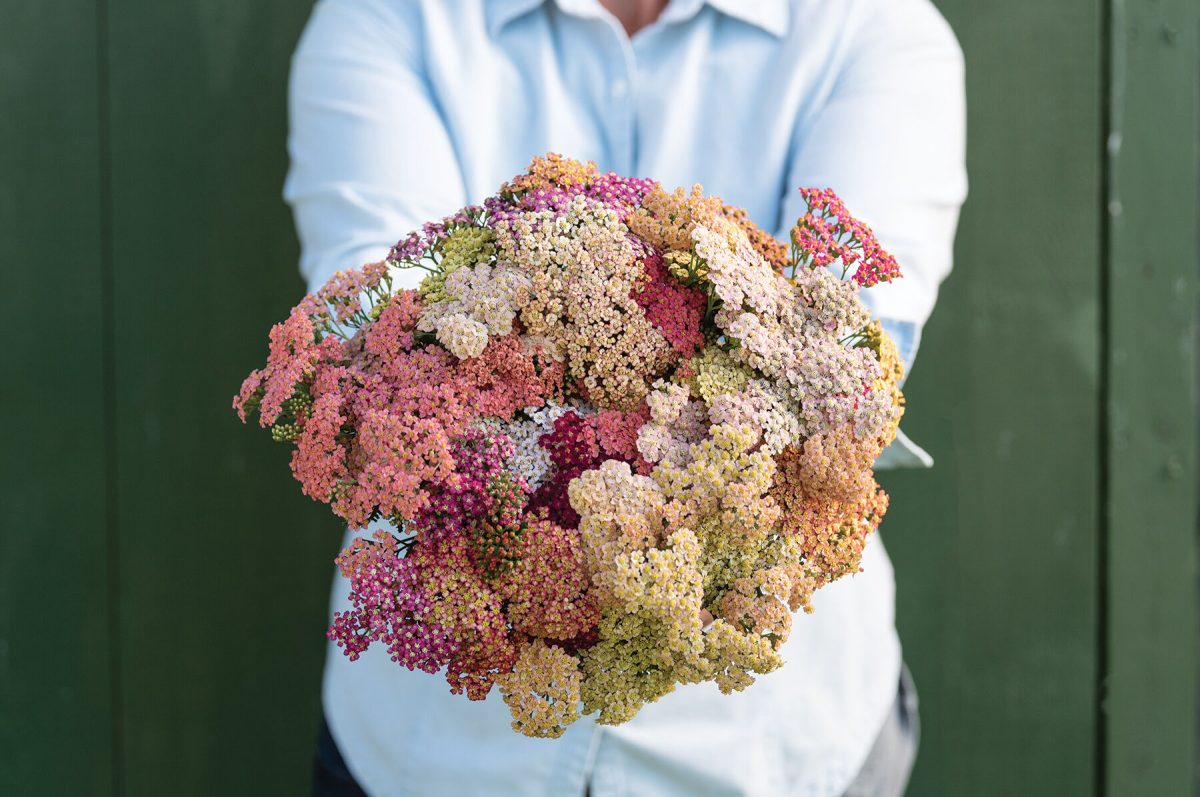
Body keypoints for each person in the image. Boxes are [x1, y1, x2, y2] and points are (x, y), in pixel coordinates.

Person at [284, 0, 967, 794]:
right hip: (441, 755)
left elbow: (841, 369)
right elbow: (384, 343)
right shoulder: (392, 16)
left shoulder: (873, 28)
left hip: (765, 751)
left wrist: (518, 362)